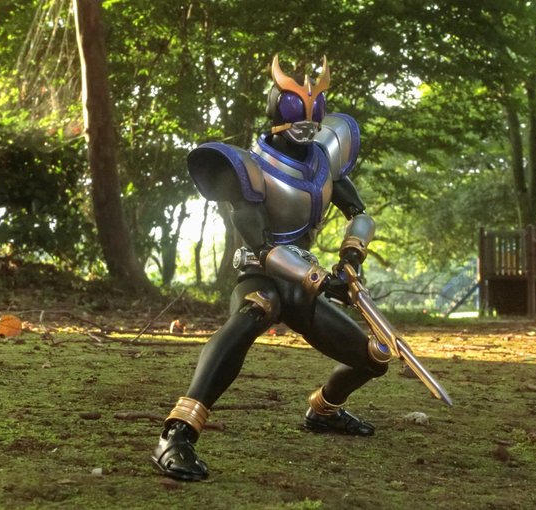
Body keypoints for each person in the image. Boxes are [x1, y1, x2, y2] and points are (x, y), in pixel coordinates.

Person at [152, 54, 388, 481]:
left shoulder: (324, 161)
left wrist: (351, 258)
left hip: (304, 288)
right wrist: (322, 280)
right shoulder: (249, 167)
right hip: (262, 276)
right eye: (296, 108)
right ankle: (178, 432)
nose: (306, 123)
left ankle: (324, 409)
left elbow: (359, 214)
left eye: (313, 110)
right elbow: (262, 247)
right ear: (277, 110)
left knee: (376, 355)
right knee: (255, 310)